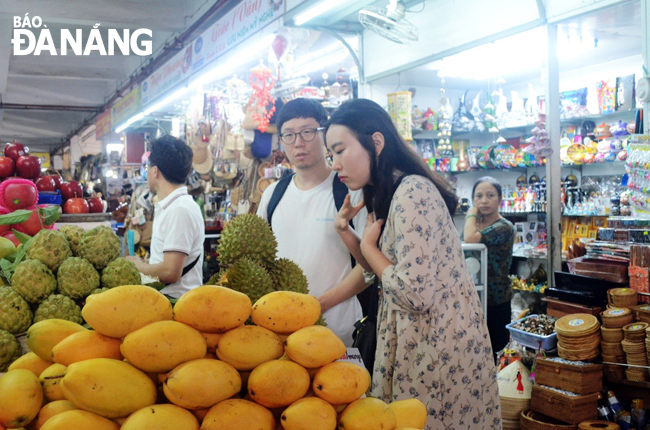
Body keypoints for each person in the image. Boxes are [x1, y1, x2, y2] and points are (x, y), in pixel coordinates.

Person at [325, 98, 501, 430]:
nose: (335, 164)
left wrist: (367, 245)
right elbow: (376, 272)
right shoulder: (386, 193)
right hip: (417, 343)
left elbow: (413, 293)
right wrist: (347, 233)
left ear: (375, 143)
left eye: (339, 150)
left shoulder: (412, 191)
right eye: (330, 155)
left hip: (437, 350)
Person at [256, 98, 370, 347]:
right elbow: (259, 263)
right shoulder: (272, 195)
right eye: (288, 135)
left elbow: (368, 267)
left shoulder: (350, 192)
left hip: (340, 332)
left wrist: (319, 305)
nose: (298, 142)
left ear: (325, 135)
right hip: (282, 330)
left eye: (307, 132)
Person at [127, 135, 204, 298]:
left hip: (177, 305)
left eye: (147, 166)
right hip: (168, 300)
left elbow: (170, 272)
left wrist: (138, 266)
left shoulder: (179, 210)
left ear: (155, 171)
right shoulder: (174, 206)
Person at [463, 176, 514, 355]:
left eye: (490, 195)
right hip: (473, 297)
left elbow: (469, 239)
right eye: (478, 196)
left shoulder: (504, 226)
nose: (483, 200)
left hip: (496, 300)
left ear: (500, 199)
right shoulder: (474, 225)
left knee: (495, 351)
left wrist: (471, 212)